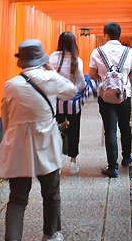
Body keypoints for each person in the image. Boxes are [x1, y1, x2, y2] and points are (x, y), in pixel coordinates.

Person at [0, 39, 77, 241]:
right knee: (51, 192)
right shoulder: (50, 79)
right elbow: (72, 90)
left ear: (22, 61)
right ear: (42, 59)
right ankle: (51, 234)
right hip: (47, 142)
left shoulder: (11, 85)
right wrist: (52, 71)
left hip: (18, 145)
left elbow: (6, 119)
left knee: (17, 198)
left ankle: (12, 238)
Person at [88, 22, 132, 178]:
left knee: (110, 130)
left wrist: (105, 78)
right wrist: (123, 79)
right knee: (125, 126)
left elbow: (91, 75)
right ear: (119, 35)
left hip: (105, 96)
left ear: (105, 35)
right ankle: (126, 157)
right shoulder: (129, 52)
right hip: (124, 95)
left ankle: (112, 167)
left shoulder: (97, 52)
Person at [48, 31, 86, 175]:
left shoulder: (52, 58)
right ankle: (73, 161)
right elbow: (81, 84)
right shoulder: (77, 60)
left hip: (56, 101)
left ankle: (55, 162)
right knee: (74, 129)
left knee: (56, 129)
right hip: (72, 101)